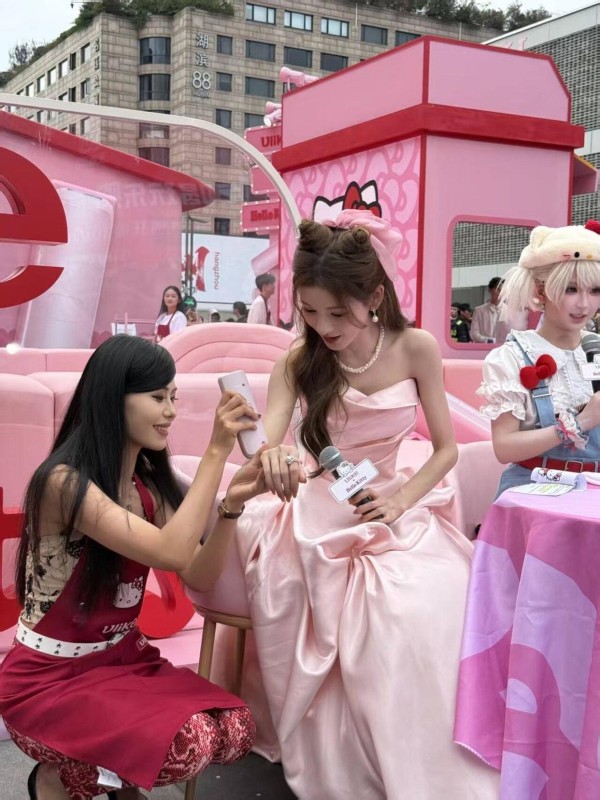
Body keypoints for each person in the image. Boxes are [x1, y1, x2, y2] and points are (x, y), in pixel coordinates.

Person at [233, 211, 500, 799]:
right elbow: (269, 441)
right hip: (314, 508)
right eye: (309, 311)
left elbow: (446, 449)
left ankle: (437, 758)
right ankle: (358, 758)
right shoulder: (297, 361)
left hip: (392, 505)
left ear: (375, 297)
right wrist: (271, 454)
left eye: (337, 313)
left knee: (440, 598)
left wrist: (400, 500)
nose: (322, 326)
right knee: (378, 610)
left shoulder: (416, 348)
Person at [0, 335, 264, 800]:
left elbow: (198, 575)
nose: (170, 412)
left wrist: (231, 509)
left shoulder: (147, 485)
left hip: (120, 661)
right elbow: (171, 552)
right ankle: (56, 780)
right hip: (48, 680)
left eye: (173, 398)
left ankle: (115, 783)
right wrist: (215, 453)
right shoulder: (62, 483)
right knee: (188, 742)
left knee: (234, 727)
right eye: (158, 397)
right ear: (112, 398)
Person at [478, 222, 600, 497]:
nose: (584, 304)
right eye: (570, 289)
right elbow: (504, 448)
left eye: (595, 290)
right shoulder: (512, 357)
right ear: (539, 291)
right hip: (534, 492)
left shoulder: (595, 348)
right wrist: (580, 422)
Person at [470, 276, 502, 343]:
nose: (501, 293)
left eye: (503, 290)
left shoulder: (509, 311)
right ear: (490, 290)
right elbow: (474, 333)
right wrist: (488, 340)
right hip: (484, 346)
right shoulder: (479, 310)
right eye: (498, 289)